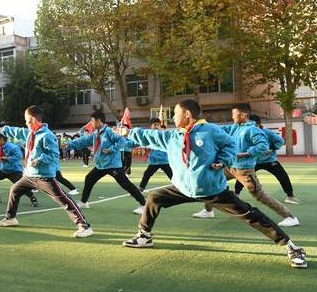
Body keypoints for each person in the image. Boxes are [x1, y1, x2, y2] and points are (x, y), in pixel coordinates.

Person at [114, 99, 306, 269]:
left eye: (175, 113)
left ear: (187, 114)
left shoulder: (211, 131)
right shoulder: (174, 136)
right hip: (183, 188)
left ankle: (292, 247)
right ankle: (144, 236)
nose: (173, 118)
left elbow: (230, 145)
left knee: (250, 215)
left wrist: (223, 160)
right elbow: (149, 136)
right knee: (154, 197)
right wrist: (127, 132)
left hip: (212, 189)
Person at [0, 105, 93, 238]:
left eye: (27, 121)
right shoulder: (30, 133)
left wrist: (39, 160)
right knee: (14, 189)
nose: (26, 124)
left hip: (44, 177)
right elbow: (17, 131)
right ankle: (10, 218)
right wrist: (2, 129)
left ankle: (84, 226)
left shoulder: (47, 135)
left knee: (63, 200)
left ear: (33, 119)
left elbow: (53, 155)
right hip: (29, 176)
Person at [191, 103, 299, 227]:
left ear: (242, 115)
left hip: (244, 170)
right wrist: (202, 124)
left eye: (234, 115)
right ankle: (208, 211)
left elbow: (263, 146)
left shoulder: (252, 130)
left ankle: (290, 217)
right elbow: (220, 129)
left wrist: (244, 154)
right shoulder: (235, 127)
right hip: (230, 167)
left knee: (259, 195)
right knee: (211, 183)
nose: (232, 117)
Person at [66, 111, 145, 214]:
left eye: (92, 121)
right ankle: (84, 202)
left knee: (126, 185)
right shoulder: (95, 134)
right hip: (101, 166)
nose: (91, 123)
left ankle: (144, 205)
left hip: (113, 166)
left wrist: (111, 149)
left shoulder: (109, 131)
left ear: (99, 121)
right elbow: (83, 141)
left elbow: (121, 141)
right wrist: (69, 144)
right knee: (89, 178)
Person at [234, 114, 301, 205]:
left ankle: (290, 196)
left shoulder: (266, 132)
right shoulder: (245, 133)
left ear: (258, 124)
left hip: (269, 160)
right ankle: (236, 194)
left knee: (282, 176)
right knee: (242, 177)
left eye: (251, 124)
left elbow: (280, 141)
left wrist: (272, 148)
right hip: (253, 161)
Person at [0, 132, 39, 207]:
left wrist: (8, 158)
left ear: (1, 139)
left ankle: (33, 198)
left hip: (14, 171)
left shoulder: (12, 147)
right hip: (4, 169)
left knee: (21, 186)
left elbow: (18, 156)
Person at [138, 118, 173, 192]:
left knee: (172, 176)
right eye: (154, 125)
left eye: (158, 125)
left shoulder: (163, 134)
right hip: (154, 161)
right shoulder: (148, 135)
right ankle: (141, 188)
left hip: (164, 160)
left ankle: (181, 189)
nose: (156, 126)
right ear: (151, 126)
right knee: (147, 174)